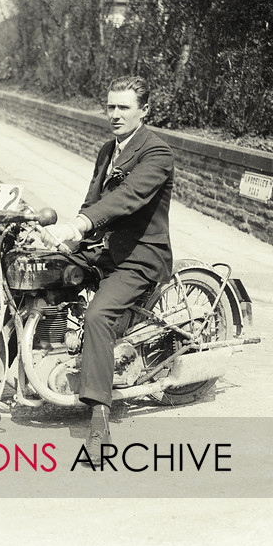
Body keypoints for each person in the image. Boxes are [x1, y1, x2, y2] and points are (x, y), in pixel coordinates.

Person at [42, 75, 174, 466]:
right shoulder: (107, 149)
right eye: (110, 107)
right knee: (43, 272)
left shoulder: (157, 153)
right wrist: (69, 236)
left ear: (143, 111)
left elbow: (129, 199)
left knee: (98, 315)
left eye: (123, 108)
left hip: (142, 255)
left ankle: (99, 413)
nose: (114, 115)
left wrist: (80, 225)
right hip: (104, 250)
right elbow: (92, 202)